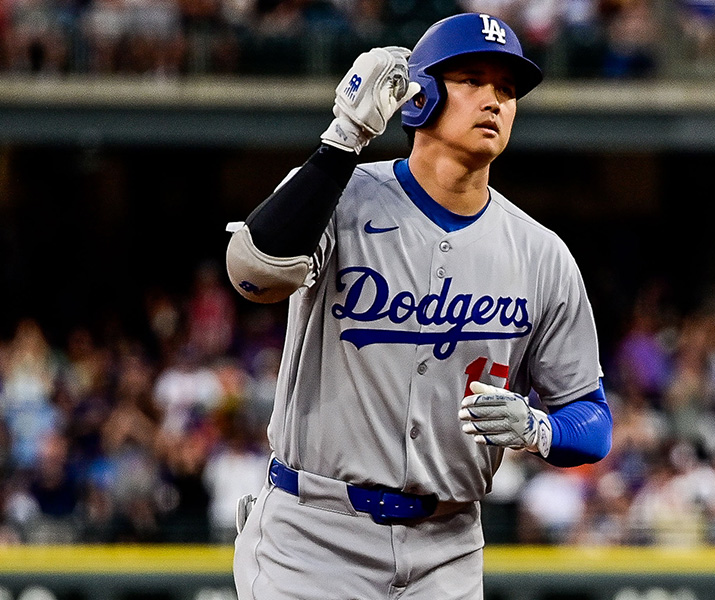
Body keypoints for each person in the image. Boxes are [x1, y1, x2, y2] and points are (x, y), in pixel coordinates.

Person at [224, 12, 613, 599]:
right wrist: (343, 139)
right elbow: (253, 276)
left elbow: (592, 421)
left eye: (507, 89)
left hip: (448, 545)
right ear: (420, 96)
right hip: (315, 535)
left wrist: (538, 428)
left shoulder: (541, 253)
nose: (494, 100)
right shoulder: (338, 194)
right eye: (472, 80)